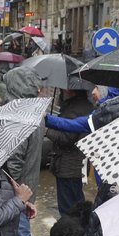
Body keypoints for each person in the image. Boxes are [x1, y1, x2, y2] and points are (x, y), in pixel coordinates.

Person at [1, 67, 47, 236]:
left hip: (19, 190)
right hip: (26, 188)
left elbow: (15, 160)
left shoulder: (19, 117)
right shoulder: (32, 114)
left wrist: (14, 190)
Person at [43, 86, 92, 215]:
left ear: (69, 90)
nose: (60, 92)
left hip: (68, 166)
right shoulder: (86, 105)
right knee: (77, 205)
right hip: (78, 165)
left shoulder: (73, 110)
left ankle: (74, 233)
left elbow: (66, 138)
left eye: (61, 90)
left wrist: (47, 131)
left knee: (68, 209)